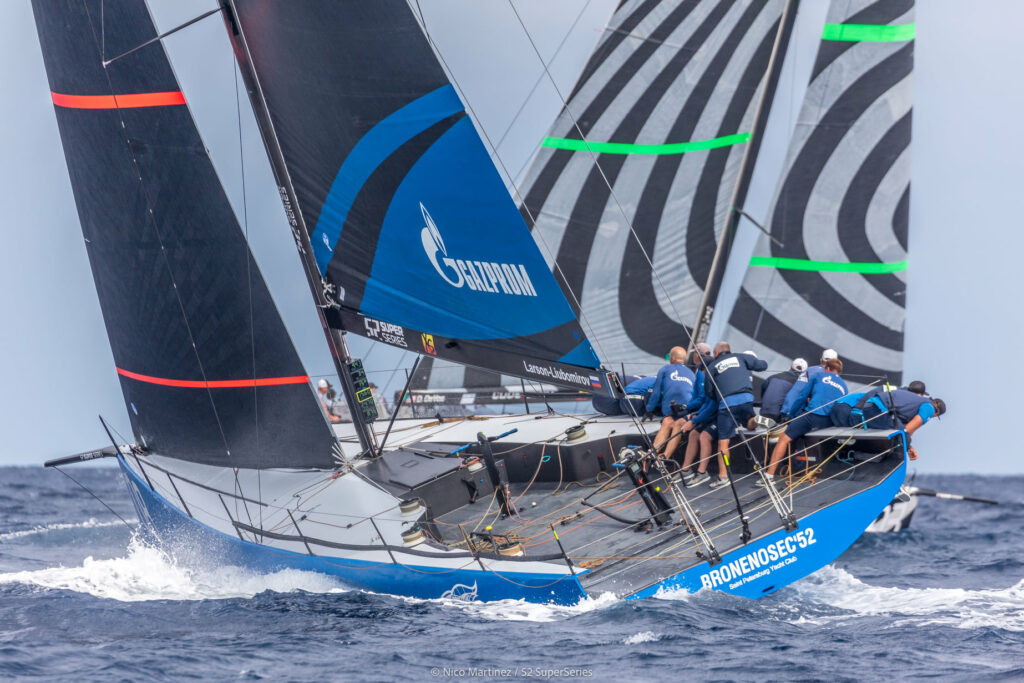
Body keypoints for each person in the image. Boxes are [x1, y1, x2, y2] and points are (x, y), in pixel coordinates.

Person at [682, 342, 767, 489]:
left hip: (727, 404)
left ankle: (723, 476)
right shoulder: (740, 357)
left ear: (715, 354)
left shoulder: (712, 366)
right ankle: (756, 419)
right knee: (749, 422)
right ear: (729, 350)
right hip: (747, 398)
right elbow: (762, 365)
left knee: (723, 442)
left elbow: (709, 391)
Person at [762, 358, 847, 485]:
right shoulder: (844, 385)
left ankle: (769, 476)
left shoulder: (818, 375)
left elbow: (802, 396)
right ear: (839, 372)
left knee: (784, 439)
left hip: (812, 416)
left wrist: (792, 416)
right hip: (830, 421)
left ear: (827, 368)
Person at [855, 383, 946, 461]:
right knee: (901, 434)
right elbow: (908, 429)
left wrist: (908, 444)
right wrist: (908, 448)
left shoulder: (920, 401)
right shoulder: (929, 408)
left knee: (900, 432)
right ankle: (887, 463)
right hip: (877, 409)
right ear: (936, 413)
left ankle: (862, 455)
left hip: (870, 405)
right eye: (936, 416)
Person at [646, 347, 695, 458]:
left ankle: (656, 453)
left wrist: (649, 410)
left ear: (672, 358)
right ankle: (660, 455)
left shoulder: (664, 369)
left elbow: (656, 394)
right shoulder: (692, 374)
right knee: (671, 422)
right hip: (686, 411)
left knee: (668, 422)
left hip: (671, 411)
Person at [780, 349, 839, 421]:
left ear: (821, 360)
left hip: (785, 408)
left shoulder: (809, 369)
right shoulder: (827, 375)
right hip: (796, 413)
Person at [752, 357, 807, 428]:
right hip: (779, 416)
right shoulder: (799, 383)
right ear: (804, 371)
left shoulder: (772, 377)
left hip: (764, 413)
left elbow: (764, 392)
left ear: (791, 366)